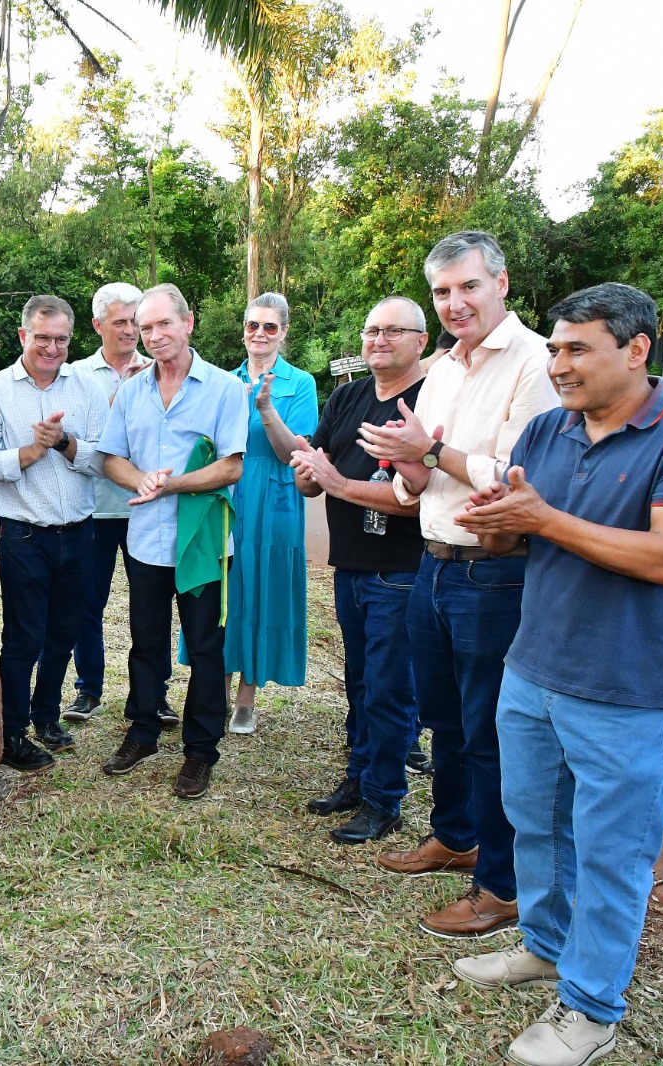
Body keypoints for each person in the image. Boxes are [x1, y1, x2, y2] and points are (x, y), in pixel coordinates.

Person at [450, 284, 663, 1066]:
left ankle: (591, 1008)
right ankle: (545, 946)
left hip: (629, 689)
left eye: (578, 348)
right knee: (536, 826)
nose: (559, 363)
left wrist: (541, 519)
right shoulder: (549, 428)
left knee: (613, 852)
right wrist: (501, 525)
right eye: (554, 348)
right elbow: (526, 537)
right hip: (535, 669)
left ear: (637, 349)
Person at [359, 230, 559, 939]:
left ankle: (501, 888)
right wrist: (407, 466)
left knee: (490, 732)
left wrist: (430, 452)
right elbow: (425, 483)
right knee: (443, 718)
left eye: (468, 286)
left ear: (501, 283)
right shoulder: (442, 368)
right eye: (442, 291)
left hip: (495, 572)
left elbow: (515, 478)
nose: (455, 303)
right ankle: (454, 835)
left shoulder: (537, 362)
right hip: (434, 563)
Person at [95, 283, 247, 799]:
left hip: (201, 541)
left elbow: (231, 466)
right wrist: (139, 480)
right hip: (145, 542)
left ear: (188, 323)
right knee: (146, 641)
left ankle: (201, 751)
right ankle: (142, 731)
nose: (155, 336)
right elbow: (110, 456)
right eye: (145, 327)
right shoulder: (133, 390)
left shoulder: (225, 388)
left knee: (206, 648)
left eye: (164, 324)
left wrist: (172, 483)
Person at [289, 296, 427, 845]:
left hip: (401, 568)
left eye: (395, 331)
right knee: (360, 681)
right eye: (372, 330)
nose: (380, 340)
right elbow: (312, 474)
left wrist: (338, 483)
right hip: (350, 564)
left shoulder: (428, 402)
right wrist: (307, 471)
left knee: (390, 687)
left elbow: (419, 496)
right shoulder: (348, 396)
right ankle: (360, 775)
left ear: (421, 339)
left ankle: (384, 798)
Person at [0, 294, 109, 772]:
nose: (52, 348)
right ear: (24, 336)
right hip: (24, 534)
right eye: (43, 338)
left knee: (64, 633)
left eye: (61, 339)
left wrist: (63, 443)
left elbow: (103, 460)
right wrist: (29, 451)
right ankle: (11, 733)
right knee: (24, 636)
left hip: (80, 532)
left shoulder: (85, 388)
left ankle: (47, 716)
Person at [57, 282, 174, 728]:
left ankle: (155, 694)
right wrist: (116, 402)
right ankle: (88, 689)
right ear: (97, 325)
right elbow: (74, 440)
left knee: (154, 605)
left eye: (135, 321)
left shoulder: (163, 368)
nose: (130, 331)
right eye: (121, 322)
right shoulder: (77, 374)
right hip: (96, 508)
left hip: (150, 508)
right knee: (89, 602)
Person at [203, 292, 318, 733]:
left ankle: (247, 699)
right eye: (253, 325)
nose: (260, 334)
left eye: (270, 327)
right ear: (244, 330)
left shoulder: (300, 383)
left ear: (283, 333)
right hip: (228, 495)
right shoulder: (222, 380)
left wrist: (267, 411)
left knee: (261, 589)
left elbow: (296, 453)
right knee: (223, 591)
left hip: (275, 496)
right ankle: (215, 687)